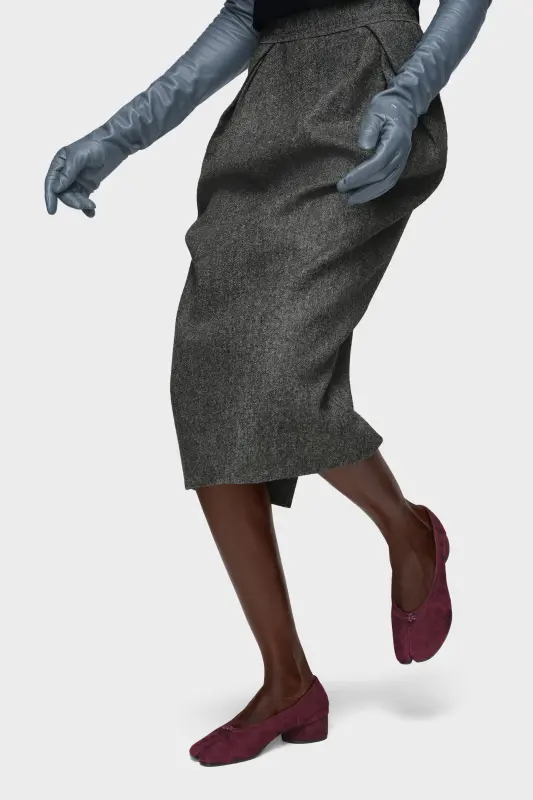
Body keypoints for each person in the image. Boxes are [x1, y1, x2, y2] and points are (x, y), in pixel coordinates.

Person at [44, 0, 493, 767]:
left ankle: (407, 531)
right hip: (264, 120)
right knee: (207, 386)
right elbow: (240, 18)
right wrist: (116, 136)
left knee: (277, 374)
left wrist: (408, 92)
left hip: (366, 105)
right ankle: (287, 681)